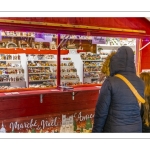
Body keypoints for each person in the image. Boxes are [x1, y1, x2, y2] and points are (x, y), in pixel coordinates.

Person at [92, 46, 145, 133]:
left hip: (114, 130)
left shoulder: (110, 82)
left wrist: (96, 133)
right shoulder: (140, 82)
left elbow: (101, 112)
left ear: (116, 61)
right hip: (136, 129)